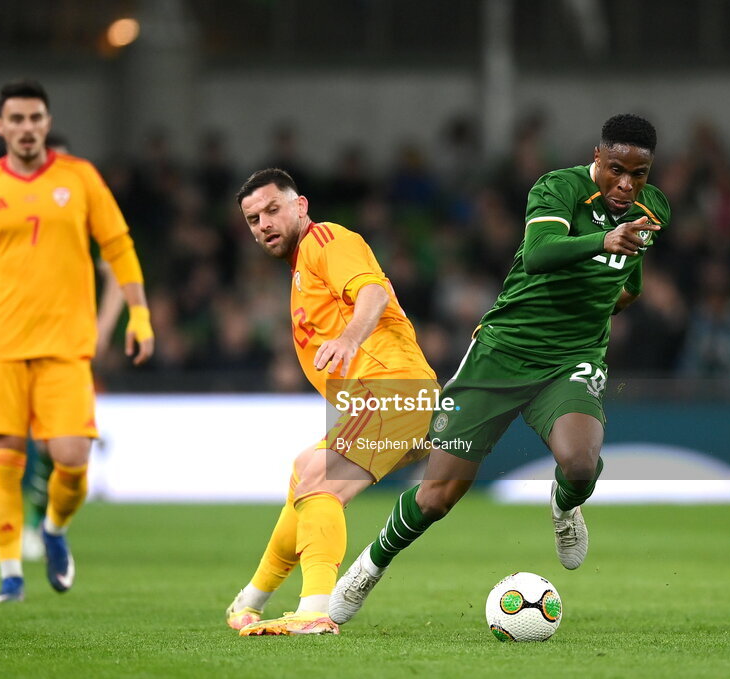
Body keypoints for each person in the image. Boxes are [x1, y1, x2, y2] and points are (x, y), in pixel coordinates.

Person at [328, 114, 670, 625]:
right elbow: (538, 255)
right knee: (436, 497)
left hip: (570, 360)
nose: (626, 183)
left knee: (580, 463)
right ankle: (368, 567)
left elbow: (629, 277)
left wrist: (617, 295)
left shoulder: (653, 208)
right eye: (616, 169)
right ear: (597, 158)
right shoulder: (558, 188)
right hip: (502, 353)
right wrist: (603, 242)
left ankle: (564, 503)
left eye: (638, 174)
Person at [0, 79, 154, 604]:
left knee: (72, 459)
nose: (26, 129)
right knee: (4, 457)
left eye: (35, 119)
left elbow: (118, 248)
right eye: (17, 120)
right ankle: (9, 575)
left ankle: (52, 528)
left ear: (47, 124)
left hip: (66, 347)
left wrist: (139, 314)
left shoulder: (80, 178)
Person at [226, 168, 438, 636]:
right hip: (383, 398)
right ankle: (251, 599)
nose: (263, 223)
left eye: (273, 209)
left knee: (318, 478)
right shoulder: (301, 268)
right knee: (306, 471)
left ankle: (315, 610)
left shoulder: (326, 239)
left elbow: (372, 293)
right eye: (253, 218)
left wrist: (347, 339)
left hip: (395, 390)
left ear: (300, 206)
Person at [0, 134, 127, 563]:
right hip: (13, 338)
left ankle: (39, 524)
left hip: (64, 344)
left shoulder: (82, 223)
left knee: (55, 446)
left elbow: (118, 273)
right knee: (15, 443)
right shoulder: (17, 215)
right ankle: (24, 530)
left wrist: (102, 329)